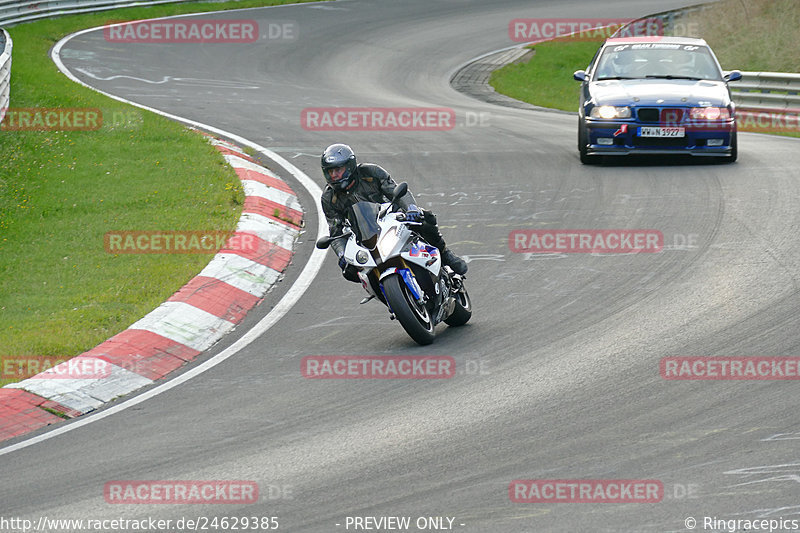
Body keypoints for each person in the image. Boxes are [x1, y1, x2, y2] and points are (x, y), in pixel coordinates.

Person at [319, 143, 467, 282]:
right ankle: (385, 294)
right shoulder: (328, 198)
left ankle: (445, 253)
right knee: (349, 271)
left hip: (392, 216)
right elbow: (335, 230)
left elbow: (398, 192)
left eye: (338, 170)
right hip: (364, 234)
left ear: (350, 167)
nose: (334, 176)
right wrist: (342, 253)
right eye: (330, 172)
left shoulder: (370, 173)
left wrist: (411, 208)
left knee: (425, 218)